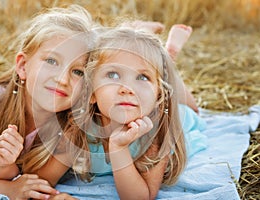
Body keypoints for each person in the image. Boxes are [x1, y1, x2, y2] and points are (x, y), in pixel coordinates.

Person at [32, 26, 187, 200]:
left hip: (185, 117)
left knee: (189, 107)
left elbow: (140, 198)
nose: (127, 89)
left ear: (158, 94)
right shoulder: (79, 132)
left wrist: (118, 148)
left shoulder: (157, 137)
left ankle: (171, 54)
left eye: (143, 77)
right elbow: (40, 181)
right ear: (90, 92)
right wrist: (54, 197)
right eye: (113, 75)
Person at [0, 4, 93, 200]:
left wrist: (5, 168)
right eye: (52, 61)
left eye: (78, 72)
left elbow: (36, 184)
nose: (63, 80)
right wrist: (9, 189)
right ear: (23, 66)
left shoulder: (73, 126)